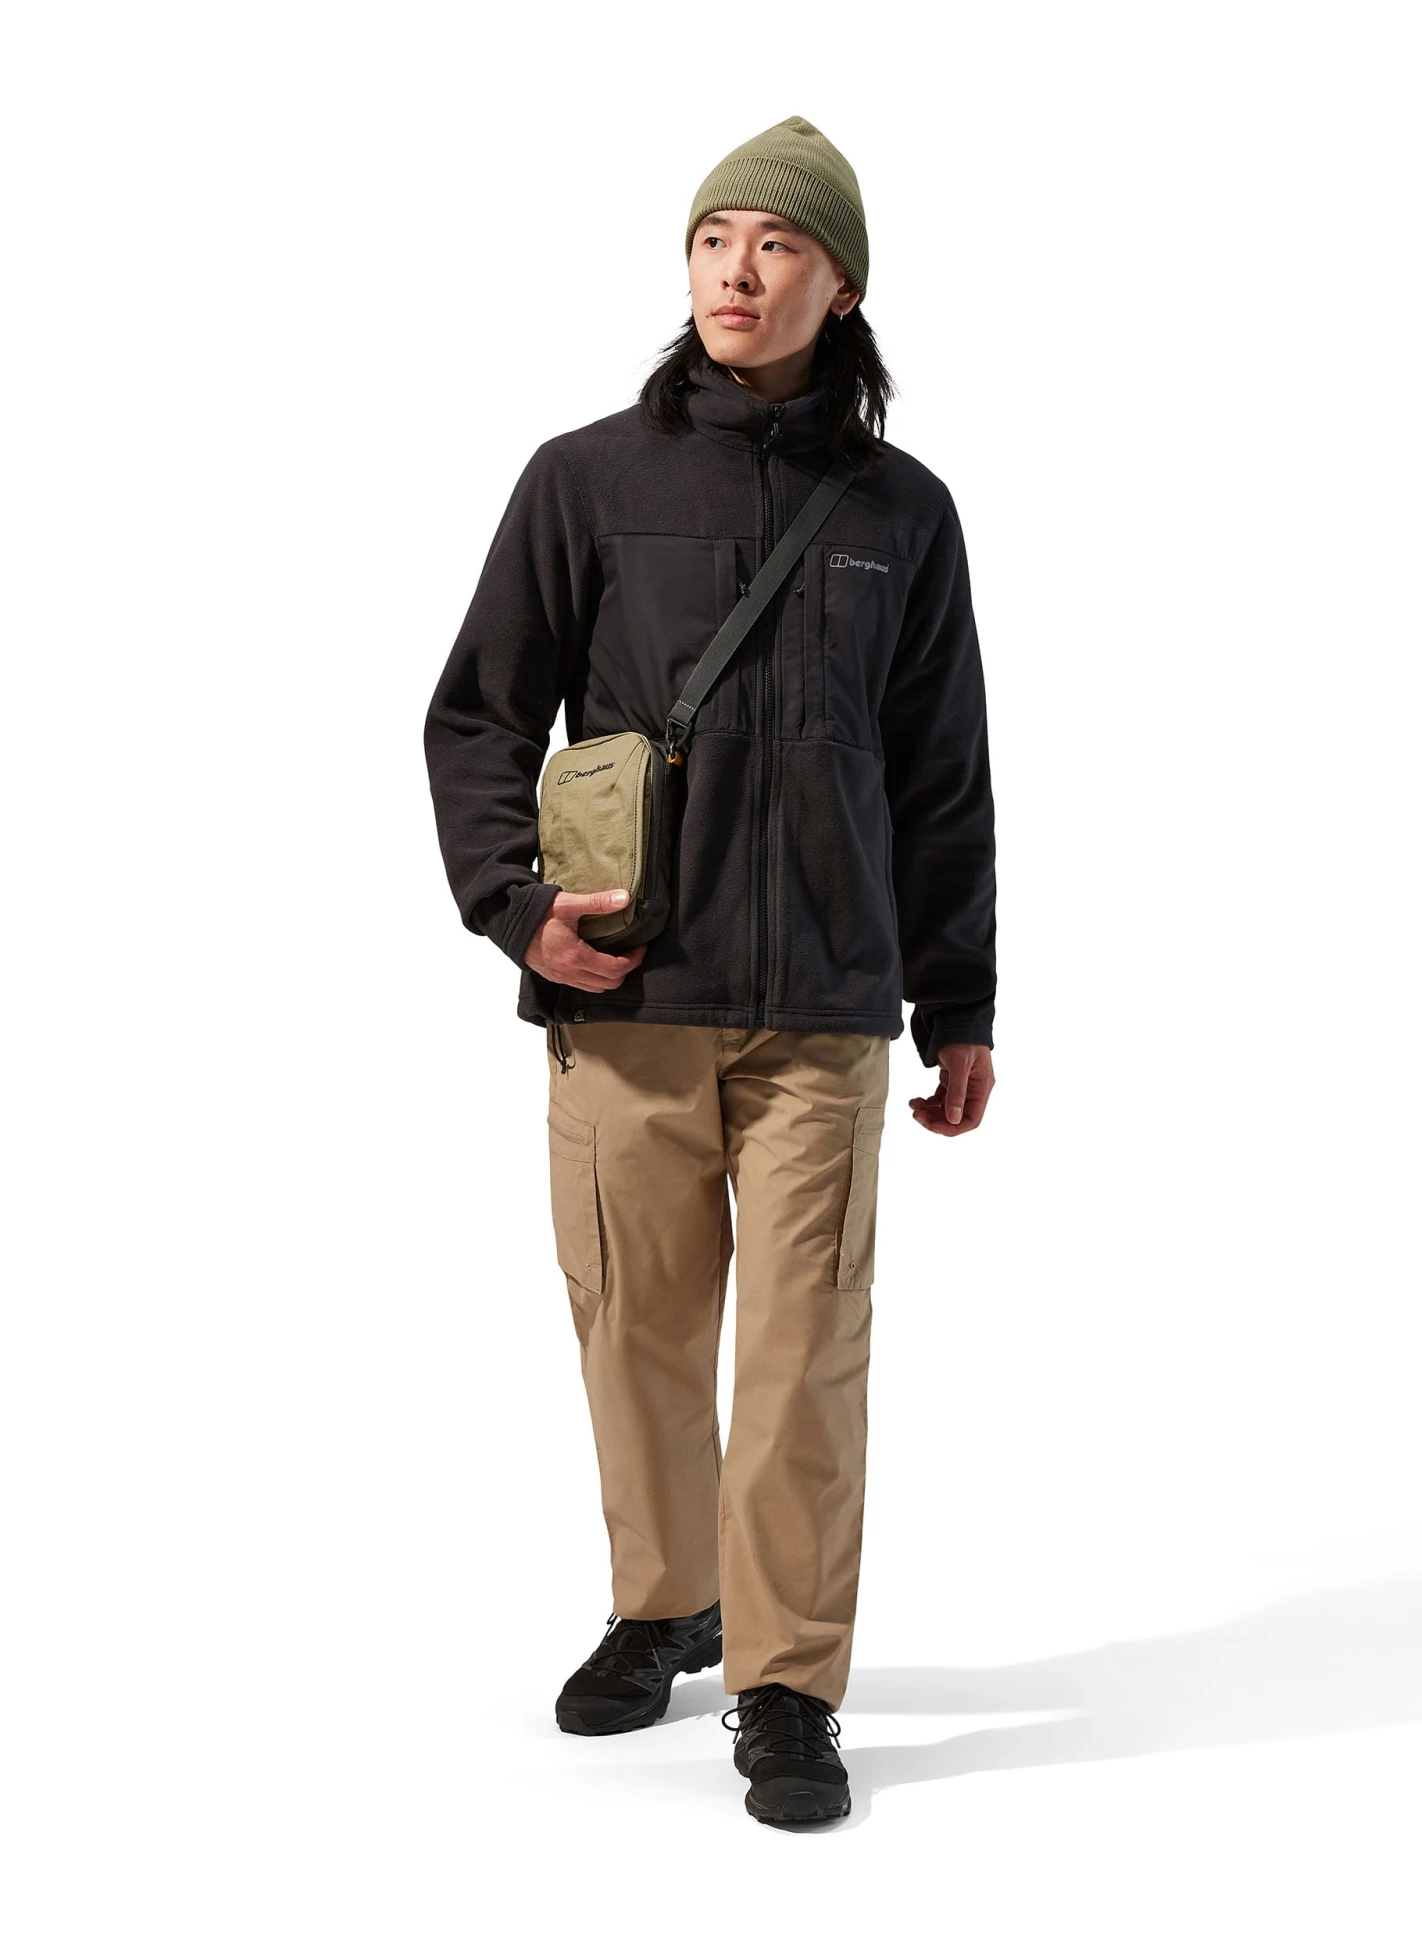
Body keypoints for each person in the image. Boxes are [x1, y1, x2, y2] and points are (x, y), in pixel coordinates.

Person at [424, 115, 996, 1826]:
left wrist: (960, 1002)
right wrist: (515, 905)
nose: (739, 272)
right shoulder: (586, 479)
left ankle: (789, 1682)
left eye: (778, 244)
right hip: (626, 996)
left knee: (804, 1355)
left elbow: (942, 773)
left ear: (843, 283)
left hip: (825, 1006)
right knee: (638, 1335)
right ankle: (667, 1602)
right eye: (714, 239)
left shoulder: (905, 513)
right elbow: (478, 711)